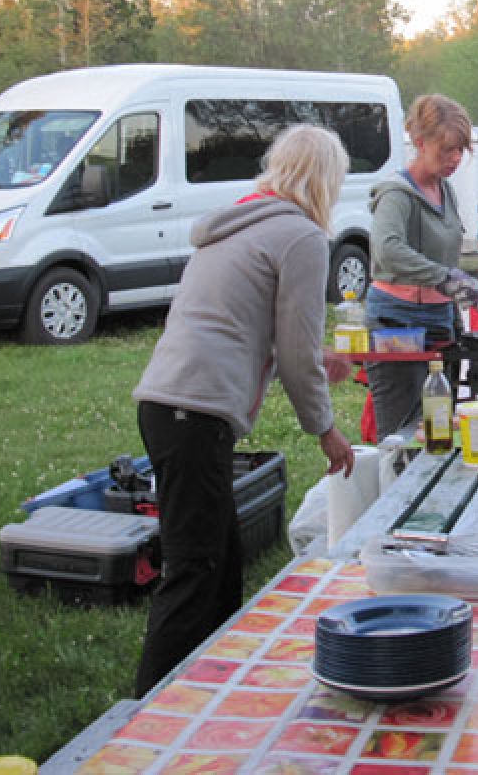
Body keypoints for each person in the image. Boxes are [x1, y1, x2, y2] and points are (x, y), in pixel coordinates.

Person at [131, 124, 356, 698]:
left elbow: (254, 330)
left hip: (168, 400)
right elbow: (298, 354)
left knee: (224, 562)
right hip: (196, 409)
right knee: (194, 568)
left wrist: (309, 356)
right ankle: (147, 709)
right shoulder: (301, 236)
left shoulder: (237, 221)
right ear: (325, 180)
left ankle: (212, 687)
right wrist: (325, 431)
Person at [365, 94, 478, 440]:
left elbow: (445, 257)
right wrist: (445, 277)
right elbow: (388, 250)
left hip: (439, 320)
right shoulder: (396, 194)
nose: (455, 158)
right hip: (397, 321)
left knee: (438, 427)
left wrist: (461, 290)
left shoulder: (445, 191)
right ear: (420, 142)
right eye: (446, 149)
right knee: (402, 432)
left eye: (460, 150)